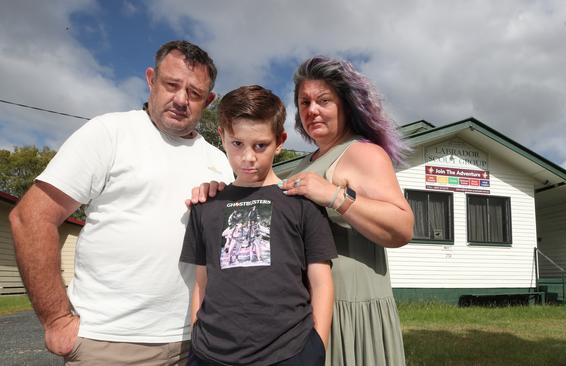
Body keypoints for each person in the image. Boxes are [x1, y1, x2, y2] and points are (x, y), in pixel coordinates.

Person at [9, 40, 233, 365]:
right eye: (171, 85)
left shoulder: (220, 161)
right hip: (111, 343)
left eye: (195, 93)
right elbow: (31, 219)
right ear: (151, 80)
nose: (181, 99)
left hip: (197, 342)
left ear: (209, 100)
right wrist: (57, 320)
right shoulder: (110, 133)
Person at [181, 85, 337, 366]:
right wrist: (196, 334)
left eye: (260, 145)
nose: (248, 157)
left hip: (290, 352)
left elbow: (321, 282)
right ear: (222, 137)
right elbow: (201, 283)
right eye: (237, 143)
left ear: (280, 141)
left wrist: (317, 346)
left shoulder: (302, 202)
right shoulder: (205, 205)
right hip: (210, 353)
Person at [278, 56, 414, 366]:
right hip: (306, 311)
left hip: (351, 311)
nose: (312, 109)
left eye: (323, 100)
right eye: (304, 102)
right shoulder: (304, 164)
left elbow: (403, 226)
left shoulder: (362, 152)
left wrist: (335, 196)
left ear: (345, 105)